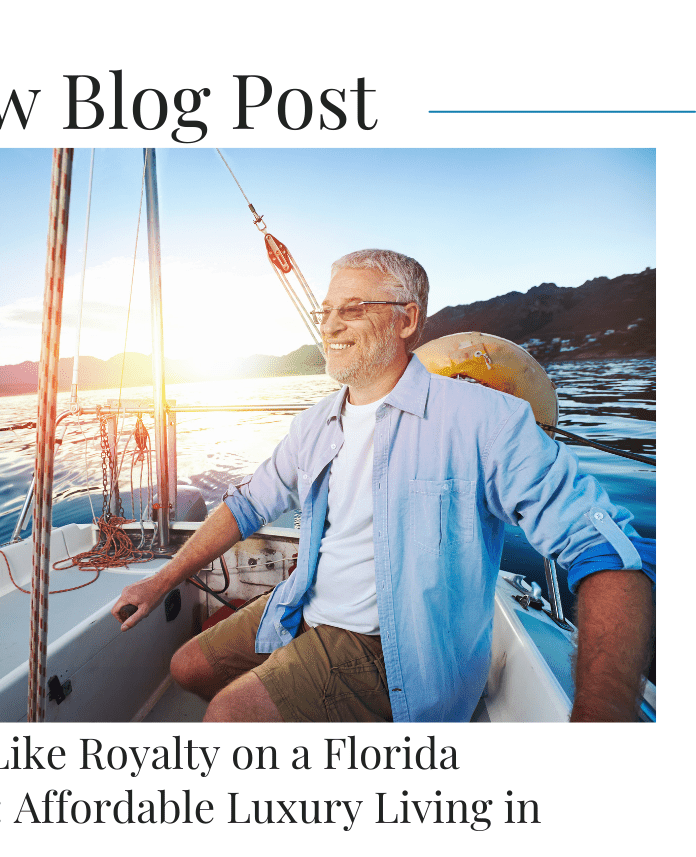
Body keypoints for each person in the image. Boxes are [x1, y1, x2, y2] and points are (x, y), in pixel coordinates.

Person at [111, 250, 654, 723]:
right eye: (325, 312)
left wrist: (600, 725)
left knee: (229, 716)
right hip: (305, 604)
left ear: (406, 320)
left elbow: (605, 550)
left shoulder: (484, 419)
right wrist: (159, 584)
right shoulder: (316, 423)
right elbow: (249, 505)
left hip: (393, 650)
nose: (329, 326)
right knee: (186, 667)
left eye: (353, 309)